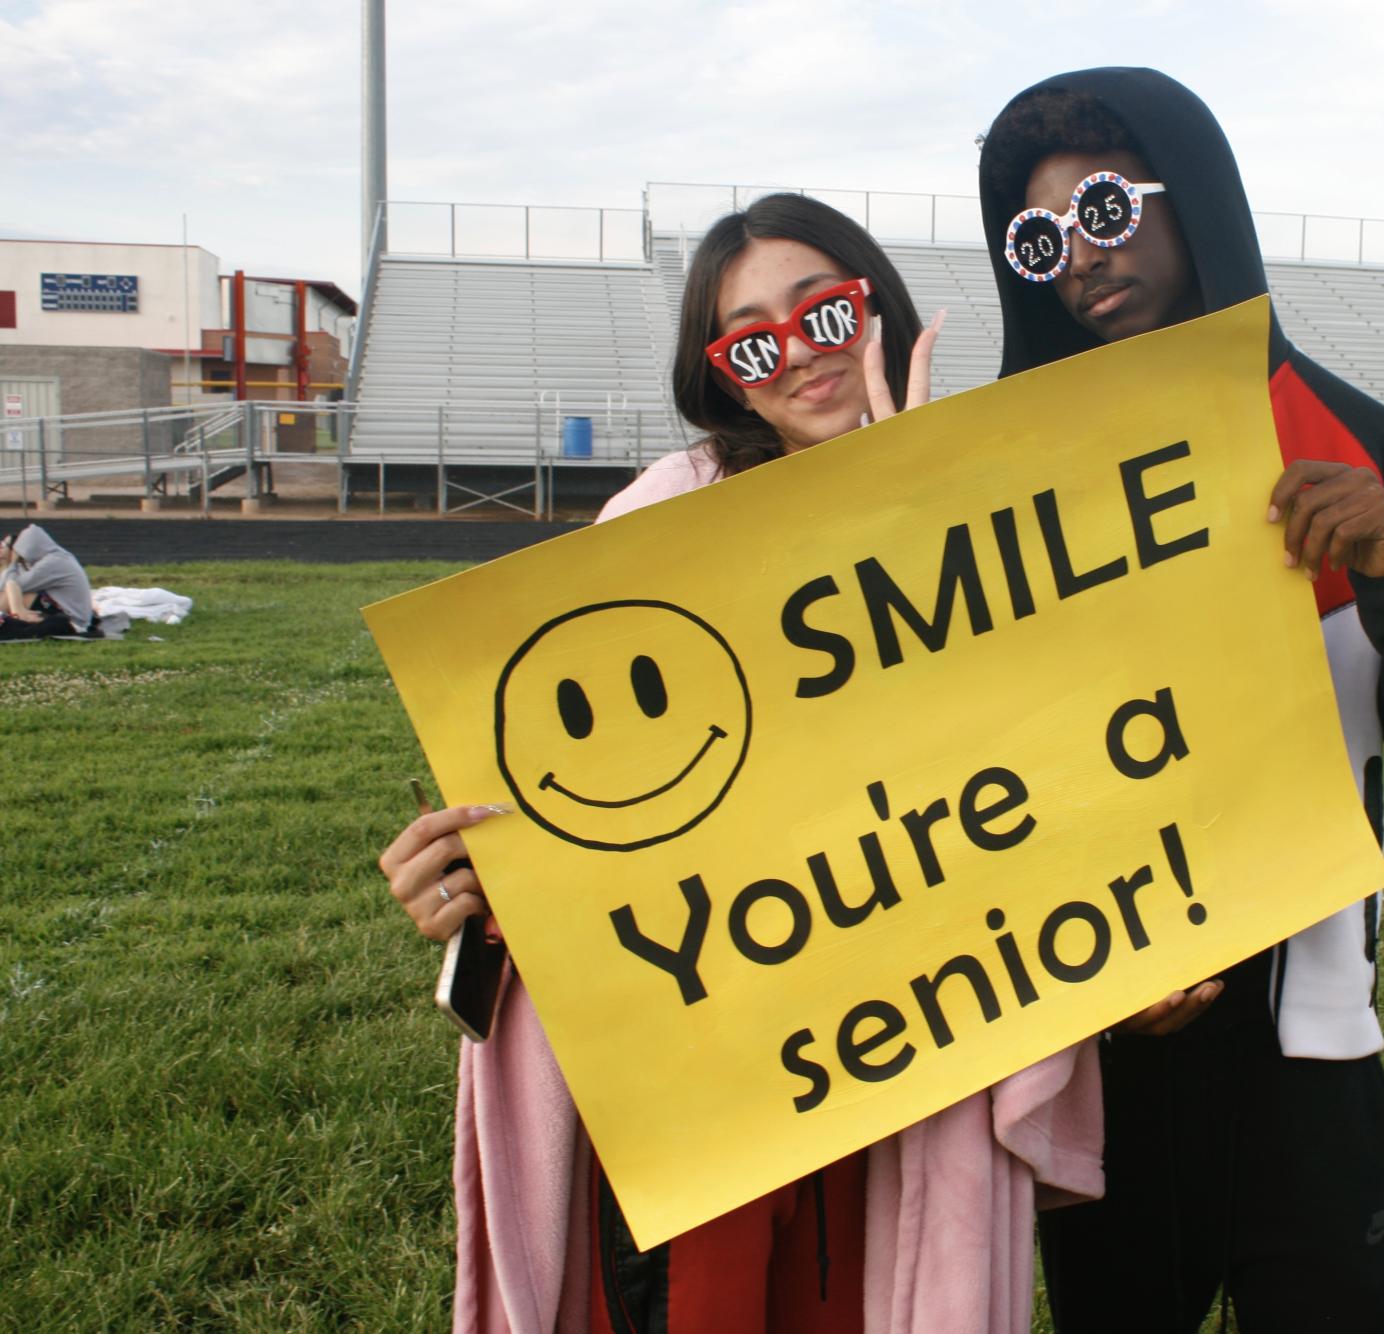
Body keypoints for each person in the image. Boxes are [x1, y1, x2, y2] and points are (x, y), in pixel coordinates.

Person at [376, 194, 1102, 1334]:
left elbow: (1057, 774)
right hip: (704, 1082)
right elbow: (567, 795)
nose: (798, 351)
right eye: (751, 338)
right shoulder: (659, 517)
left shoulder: (989, 504)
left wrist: (910, 496)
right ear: (724, 373)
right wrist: (469, 899)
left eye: (825, 308)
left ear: (875, 305)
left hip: (910, 1057)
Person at [977, 69, 1384, 1332]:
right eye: (1039, 239)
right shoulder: (1001, 474)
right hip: (1110, 1024)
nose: (1078, 262)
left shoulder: (1343, 432)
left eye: (1105, 209)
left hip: (1306, 1031)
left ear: (1193, 197)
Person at [1, 524, 98, 640]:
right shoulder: (56, 557)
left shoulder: (51, 564)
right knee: (15, 594)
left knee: (16, 594)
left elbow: (12, 585)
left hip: (72, 621)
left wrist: (12, 563)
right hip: (72, 615)